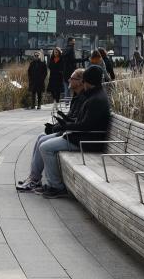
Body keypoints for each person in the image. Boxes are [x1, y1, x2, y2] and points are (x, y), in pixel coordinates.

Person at [36, 65, 112, 197]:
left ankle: (56, 186)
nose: (83, 84)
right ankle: (49, 183)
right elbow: (83, 122)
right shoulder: (95, 96)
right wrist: (65, 123)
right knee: (43, 142)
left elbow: (85, 126)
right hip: (82, 137)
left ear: (88, 82)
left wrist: (65, 126)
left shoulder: (96, 100)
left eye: (84, 81)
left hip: (87, 141)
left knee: (45, 147)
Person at [15, 69, 86, 193]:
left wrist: (60, 127)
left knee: (45, 146)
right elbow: (71, 118)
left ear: (80, 82)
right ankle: (34, 178)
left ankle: (55, 185)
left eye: (72, 78)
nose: (69, 80)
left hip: (75, 137)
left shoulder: (83, 98)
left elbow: (77, 122)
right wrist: (55, 126)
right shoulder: (77, 96)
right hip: (70, 133)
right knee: (41, 136)